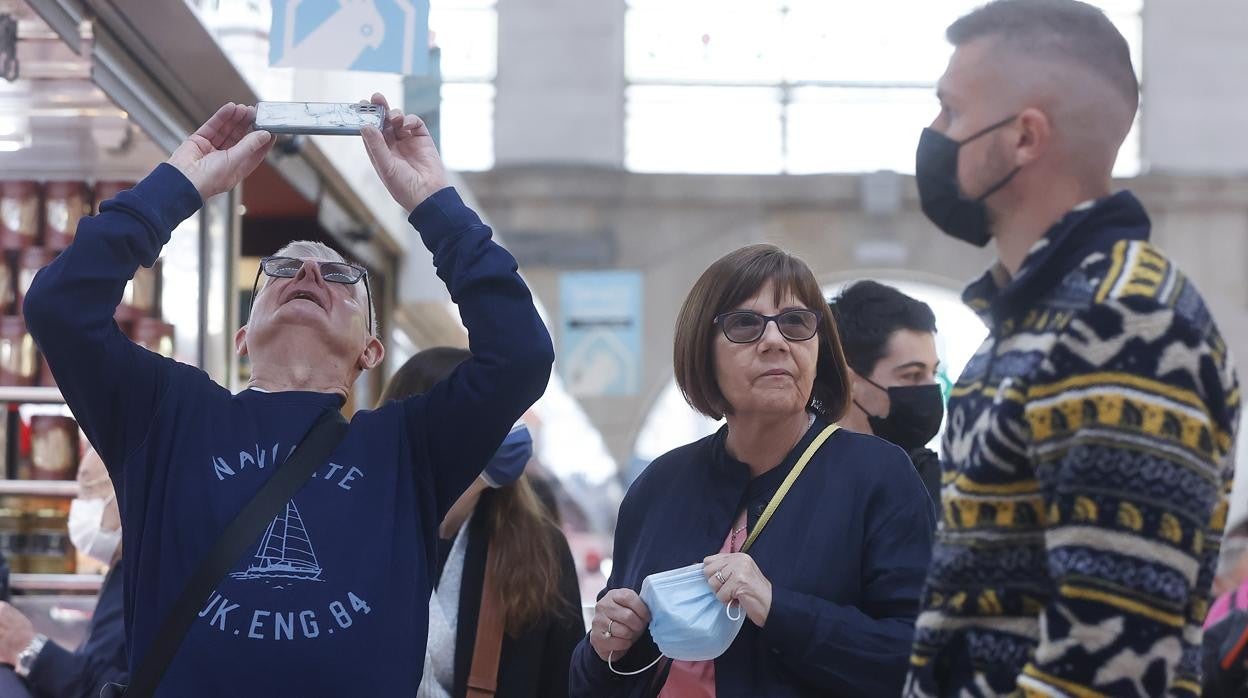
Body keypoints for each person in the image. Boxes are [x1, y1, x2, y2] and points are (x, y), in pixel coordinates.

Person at [23, 96, 554, 696]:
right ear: (244, 337)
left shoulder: (409, 449)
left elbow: (521, 354)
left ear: (370, 351)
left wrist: (433, 204)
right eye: (280, 270)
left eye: (340, 276)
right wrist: (179, 187)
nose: (307, 275)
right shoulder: (167, 416)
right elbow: (58, 308)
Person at [904, 2, 1240, 696]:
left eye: (950, 112)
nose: (935, 135)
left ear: (1025, 137)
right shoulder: (1038, 319)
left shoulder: (1125, 323)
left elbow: (1111, 659)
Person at [570, 244, 936, 697]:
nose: (775, 341)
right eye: (745, 324)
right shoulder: (659, 487)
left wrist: (777, 608)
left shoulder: (879, 476)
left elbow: (921, 657)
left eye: (796, 323)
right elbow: (593, 684)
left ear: (820, 349)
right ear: (702, 351)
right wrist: (605, 645)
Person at [378, 347, 583, 698]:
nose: (504, 428)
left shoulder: (539, 548)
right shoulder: (357, 535)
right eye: (482, 413)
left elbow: (564, 683)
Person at [0, 449, 127, 697]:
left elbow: (115, 687)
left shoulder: (157, 588)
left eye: (89, 489)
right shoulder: (125, 574)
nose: (79, 504)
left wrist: (30, 649)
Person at [830, 280, 943, 506]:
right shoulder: (802, 479)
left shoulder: (940, 488)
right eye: (912, 375)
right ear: (848, 379)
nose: (931, 388)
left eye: (934, 371)